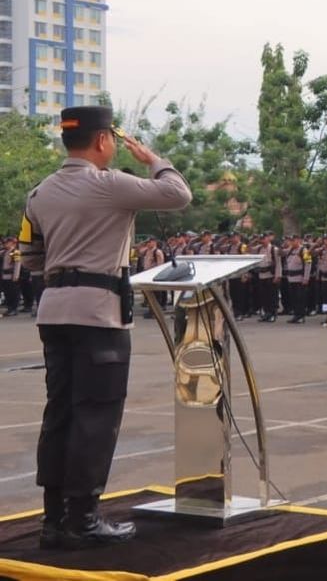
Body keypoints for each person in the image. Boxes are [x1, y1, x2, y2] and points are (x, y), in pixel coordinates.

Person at [18, 106, 191, 550]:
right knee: (95, 414)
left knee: (60, 413)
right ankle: (84, 519)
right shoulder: (110, 184)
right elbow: (177, 194)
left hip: (54, 313)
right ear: (101, 141)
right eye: (114, 138)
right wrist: (152, 159)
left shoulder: (39, 194)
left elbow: (32, 258)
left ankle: (54, 519)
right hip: (98, 315)